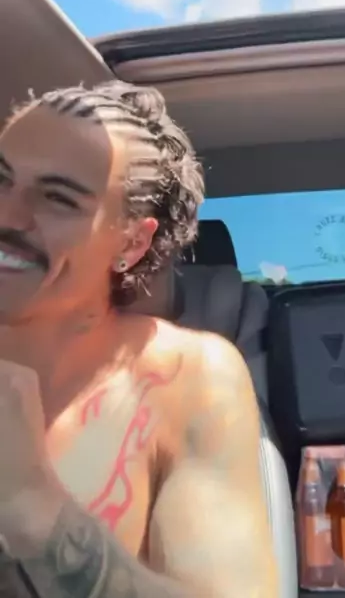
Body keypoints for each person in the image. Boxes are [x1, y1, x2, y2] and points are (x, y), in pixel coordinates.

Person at [0, 81, 278, 598]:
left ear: (131, 243)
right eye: (0, 178)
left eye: (57, 198)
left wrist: (32, 505)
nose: (6, 215)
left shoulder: (189, 379)